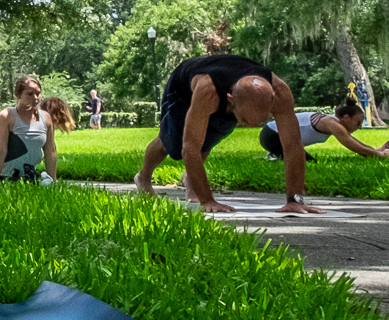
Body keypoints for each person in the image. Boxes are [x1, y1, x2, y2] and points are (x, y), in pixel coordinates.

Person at [133, 50, 320, 214]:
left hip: (230, 90)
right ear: (230, 100)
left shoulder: (280, 93)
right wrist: (208, 201)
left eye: (260, 120)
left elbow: (293, 146)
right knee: (171, 142)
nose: (251, 126)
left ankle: (191, 181)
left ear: (272, 101)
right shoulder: (208, 91)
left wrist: (295, 200)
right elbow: (189, 148)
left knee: (209, 137)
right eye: (246, 121)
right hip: (183, 87)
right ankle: (143, 177)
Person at [0, 75, 61, 180]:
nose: (35, 98)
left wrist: (53, 180)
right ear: (19, 95)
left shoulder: (45, 117)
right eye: (30, 94)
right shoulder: (7, 116)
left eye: (38, 94)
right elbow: (1, 150)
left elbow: (50, 151)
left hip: (21, 171)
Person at [257, 101, 389, 160]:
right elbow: (354, 147)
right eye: (358, 122)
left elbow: (356, 142)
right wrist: (380, 155)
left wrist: (377, 150)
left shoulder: (335, 123)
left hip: (275, 135)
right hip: (272, 134)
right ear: (345, 118)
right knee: (308, 164)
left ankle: (275, 155)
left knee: (306, 161)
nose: (359, 126)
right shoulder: (331, 123)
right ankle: (274, 156)